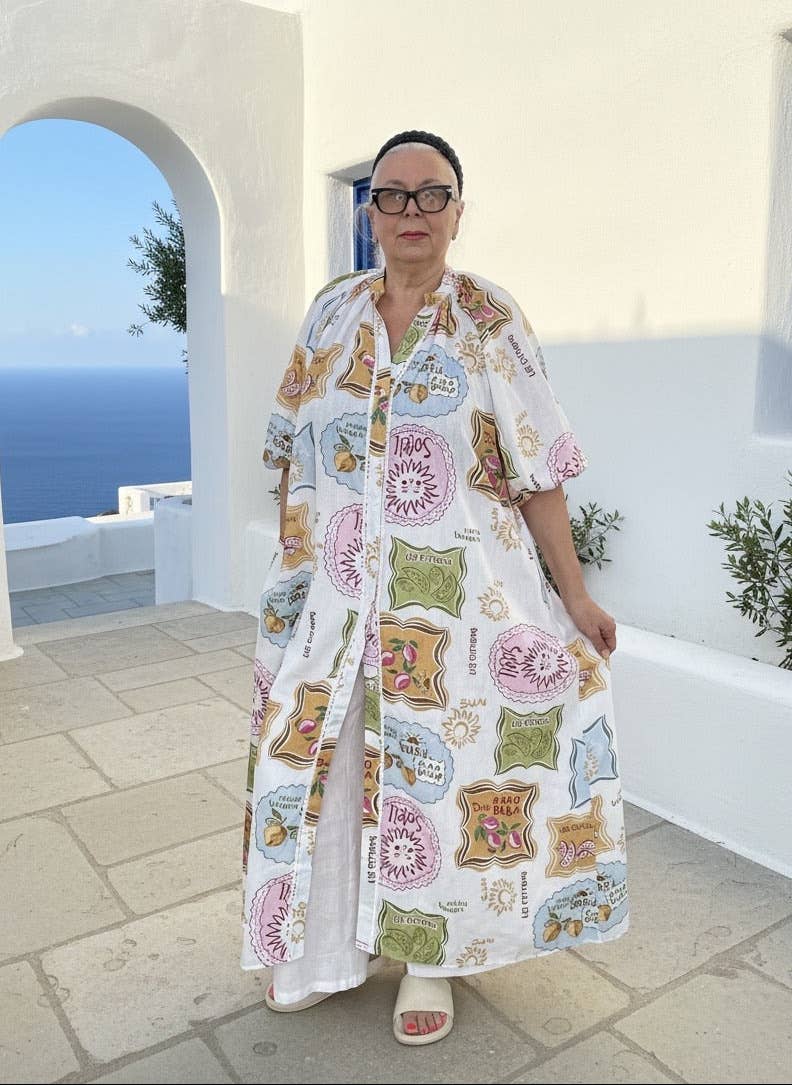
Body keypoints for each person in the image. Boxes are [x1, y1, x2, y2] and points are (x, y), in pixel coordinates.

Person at [240, 129, 629, 1046]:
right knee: (320, 759)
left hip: (456, 602)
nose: (411, 212)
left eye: (431, 194)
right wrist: (294, 573)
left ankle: (430, 956)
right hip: (331, 593)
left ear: (459, 208)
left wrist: (574, 597)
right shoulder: (331, 315)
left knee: (437, 778)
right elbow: (289, 450)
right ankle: (319, 944)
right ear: (369, 210)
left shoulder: (491, 319)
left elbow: (538, 471)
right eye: (392, 194)